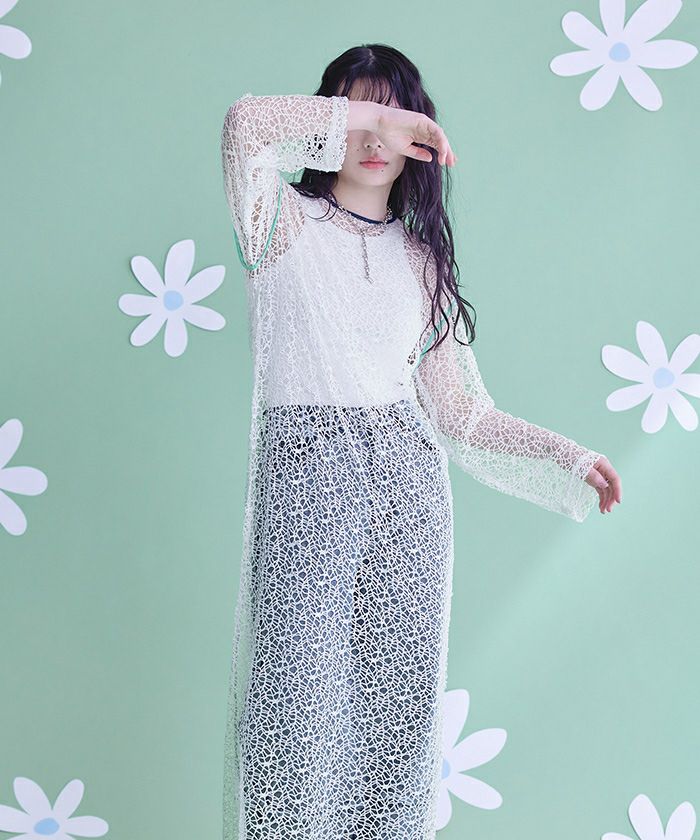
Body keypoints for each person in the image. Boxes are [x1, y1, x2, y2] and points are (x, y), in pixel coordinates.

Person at [219, 42, 621, 840]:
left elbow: (463, 414)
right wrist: (376, 115)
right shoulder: (278, 220)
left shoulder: (421, 258)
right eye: (360, 115)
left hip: (407, 492)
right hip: (306, 483)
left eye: (397, 121)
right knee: (294, 708)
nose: (377, 139)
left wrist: (569, 457)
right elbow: (244, 125)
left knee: (397, 707)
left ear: (421, 143)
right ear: (329, 120)